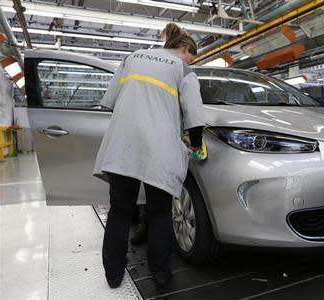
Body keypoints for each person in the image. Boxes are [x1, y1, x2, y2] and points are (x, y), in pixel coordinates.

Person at [93, 23, 205, 288]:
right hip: (160, 150)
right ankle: (161, 273)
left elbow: (109, 102)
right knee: (160, 214)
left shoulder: (132, 58)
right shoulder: (183, 69)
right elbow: (195, 116)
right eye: (193, 56)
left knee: (120, 211)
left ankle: (113, 275)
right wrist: (196, 145)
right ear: (186, 49)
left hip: (123, 147)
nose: (192, 61)